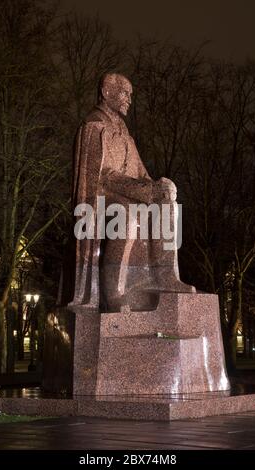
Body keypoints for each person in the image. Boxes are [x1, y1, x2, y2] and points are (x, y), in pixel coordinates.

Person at [61, 73, 194, 312]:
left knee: (167, 205)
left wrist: (159, 186)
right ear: (106, 91)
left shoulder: (123, 133)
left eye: (131, 95)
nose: (129, 100)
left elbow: (140, 174)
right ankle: (114, 291)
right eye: (125, 93)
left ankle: (165, 276)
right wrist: (143, 190)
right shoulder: (94, 126)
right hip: (97, 202)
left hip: (125, 194)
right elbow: (102, 178)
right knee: (127, 213)